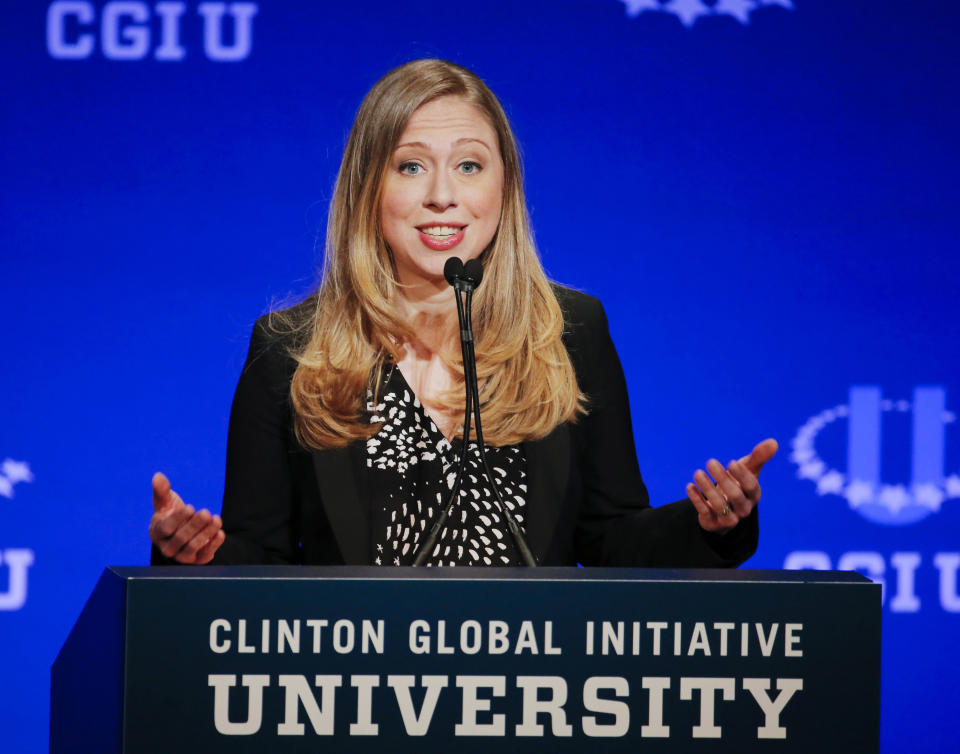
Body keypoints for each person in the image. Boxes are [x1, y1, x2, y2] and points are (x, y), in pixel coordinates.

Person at [149, 59, 777, 568]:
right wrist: (196, 556)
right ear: (369, 188)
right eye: (411, 165)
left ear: (504, 187)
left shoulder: (571, 332)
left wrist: (708, 525)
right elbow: (261, 562)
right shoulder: (291, 348)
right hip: (358, 701)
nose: (442, 195)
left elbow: (608, 539)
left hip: (531, 698)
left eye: (470, 165)